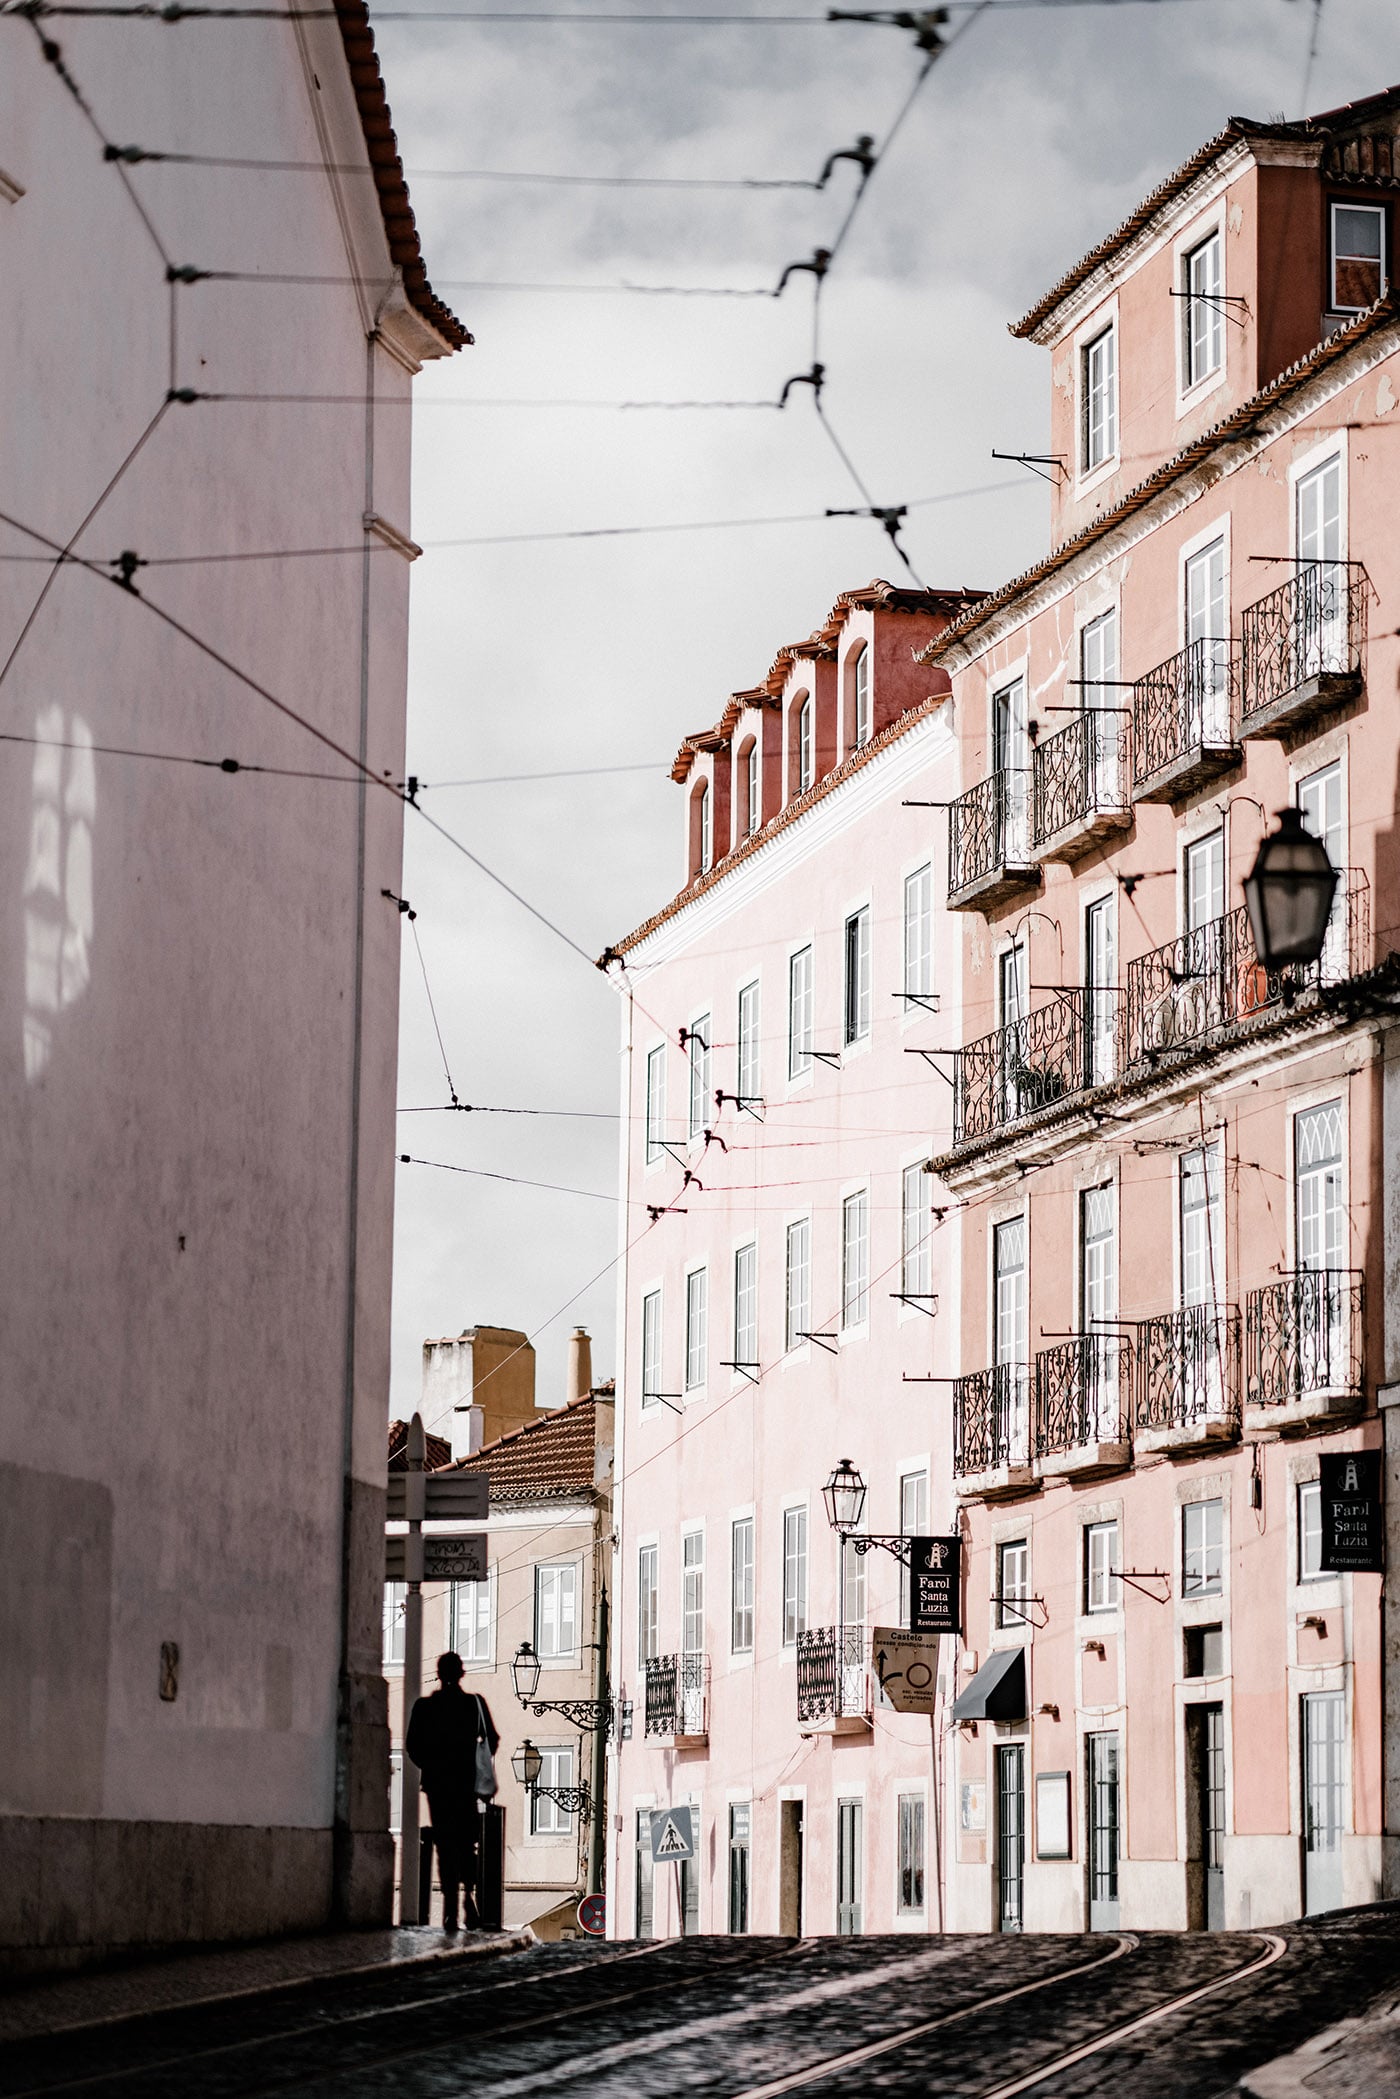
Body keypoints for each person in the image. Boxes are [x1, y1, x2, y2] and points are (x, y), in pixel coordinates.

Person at [405, 1651, 499, 1930]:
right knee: (467, 1842)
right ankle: (469, 1897)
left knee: (445, 1844)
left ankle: (449, 1908)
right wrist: (473, 1759)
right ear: (461, 1674)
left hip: (438, 1786)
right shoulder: (474, 1704)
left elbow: (412, 1746)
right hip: (466, 1785)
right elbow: (492, 1739)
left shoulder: (424, 1707)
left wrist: (432, 1765)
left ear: (438, 1674)